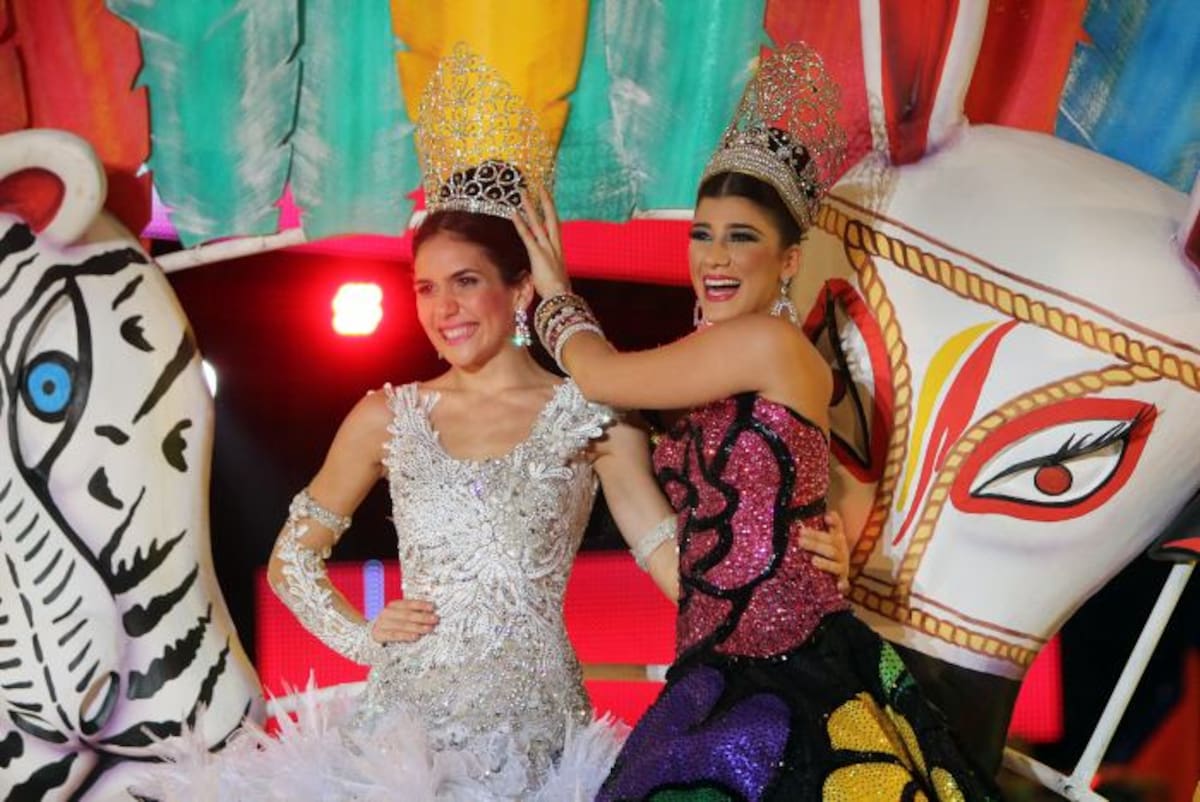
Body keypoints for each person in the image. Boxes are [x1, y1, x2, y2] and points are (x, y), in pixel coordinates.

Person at [132, 45, 851, 802]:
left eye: (466, 281)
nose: (443, 308)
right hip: (399, 746)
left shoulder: (592, 413)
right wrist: (366, 637)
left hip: (540, 750)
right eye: (425, 288)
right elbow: (292, 560)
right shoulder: (387, 414)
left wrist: (782, 575)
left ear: (520, 290)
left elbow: (667, 555)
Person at [518, 42, 1003, 801]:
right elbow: (827, 485)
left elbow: (602, 375)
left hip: (791, 673)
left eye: (741, 236)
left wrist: (554, 296)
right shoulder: (726, 366)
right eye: (702, 233)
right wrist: (834, 537)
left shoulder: (766, 345)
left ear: (788, 261)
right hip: (715, 666)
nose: (715, 256)